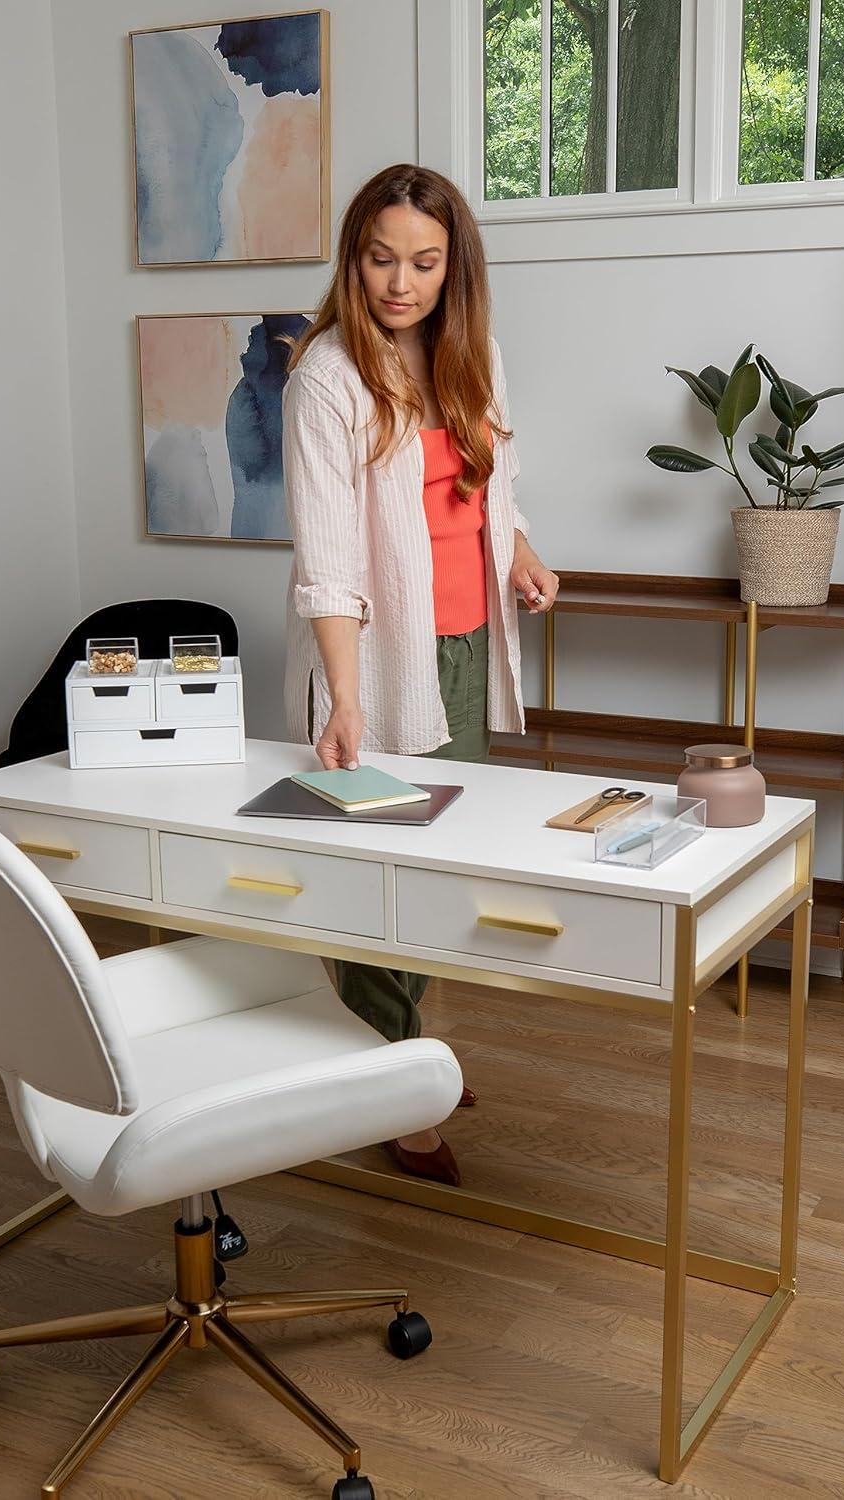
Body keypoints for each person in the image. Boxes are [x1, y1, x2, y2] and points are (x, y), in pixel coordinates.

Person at [281, 164, 559, 1188]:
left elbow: (492, 481)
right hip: (379, 652)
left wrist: (521, 549)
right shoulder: (325, 378)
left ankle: (402, 1051)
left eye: (425, 263)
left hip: (466, 646)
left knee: (440, 865)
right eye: (382, 258)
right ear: (354, 257)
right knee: (375, 873)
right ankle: (389, 1078)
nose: (402, 283)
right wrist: (345, 695)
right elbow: (328, 557)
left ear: (455, 268)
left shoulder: (466, 352)